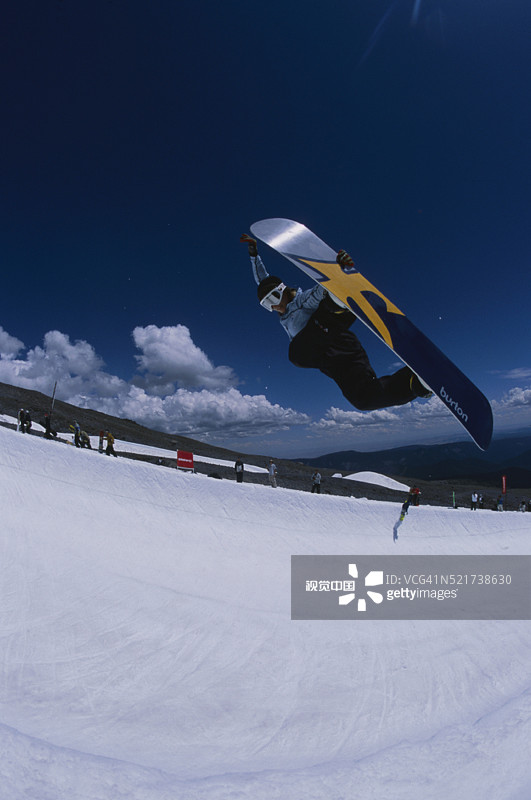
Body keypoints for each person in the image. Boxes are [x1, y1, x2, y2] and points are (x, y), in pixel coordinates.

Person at [240, 234, 432, 413]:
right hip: (332, 361)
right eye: (266, 305)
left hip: (338, 341)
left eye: (272, 300)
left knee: (297, 354)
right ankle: (416, 383)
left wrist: (337, 273)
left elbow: (317, 292)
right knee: (363, 399)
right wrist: (253, 253)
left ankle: (338, 301)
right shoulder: (282, 311)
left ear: (282, 290)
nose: (273, 308)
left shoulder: (301, 301)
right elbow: (262, 280)